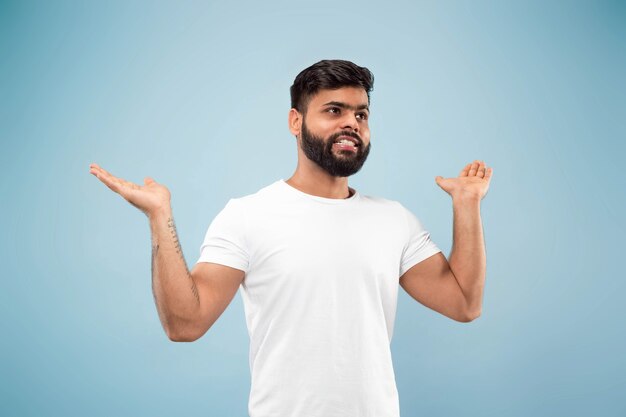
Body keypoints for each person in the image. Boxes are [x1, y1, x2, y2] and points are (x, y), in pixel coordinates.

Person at [90, 59, 492, 417]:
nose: (352, 122)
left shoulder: (394, 219)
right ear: (295, 122)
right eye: (334, 110)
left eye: (361, 114)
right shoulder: (247, 216)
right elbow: (185, 324)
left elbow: (464, 303)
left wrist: (467, 204)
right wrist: (160, 217)